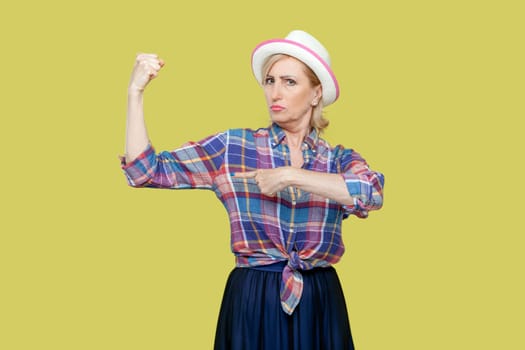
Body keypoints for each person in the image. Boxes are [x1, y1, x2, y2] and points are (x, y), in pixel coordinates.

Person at [121, 30, 385, 350]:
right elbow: (144, 171)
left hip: (320, 300)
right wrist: (135, 93)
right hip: (253, 298)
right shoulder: (235, 147)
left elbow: (370, 193)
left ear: (316, 93)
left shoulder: (338, 159)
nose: (275, 92)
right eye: (270, 81)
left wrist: (291, 176)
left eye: (289, 82)